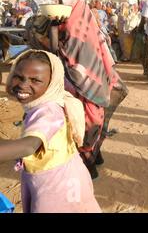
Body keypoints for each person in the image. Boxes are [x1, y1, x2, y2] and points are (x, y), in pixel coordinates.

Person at [2, 50, 101, 213]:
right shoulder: (42, 103)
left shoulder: (48, 112)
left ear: (51, 84)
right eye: (19, 77)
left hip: (59, 187)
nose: (23, 84)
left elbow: (28, 146)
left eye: (35, 80)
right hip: (62, 177)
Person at [47, 0, 128, 179]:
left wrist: (53, 29)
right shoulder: (88, 24)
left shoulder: (72, 29)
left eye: (62, 3)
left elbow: (54, 52)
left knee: (86, 122)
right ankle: (96, 156)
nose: (59, 5)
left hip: (82, 86)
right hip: (95, 83)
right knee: (94, 120)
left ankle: (90, 166)